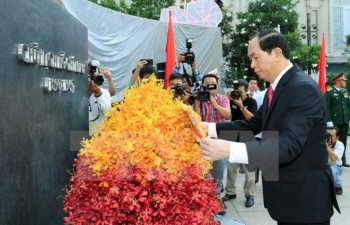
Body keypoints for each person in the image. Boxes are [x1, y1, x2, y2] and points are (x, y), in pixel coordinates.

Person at [199, 29, 339, 225]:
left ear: (276, 53)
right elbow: (253, 125)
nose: (252, 65)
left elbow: (288, 145)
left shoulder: (302, 88)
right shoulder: (277, 87)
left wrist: (228, 150)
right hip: (287, 200)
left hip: (305, 203)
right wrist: (209, 128)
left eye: (255, 57)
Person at [193, 73, 231, 215]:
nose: (209, 86)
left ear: (217, 85)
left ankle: (216, 202)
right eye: (207, 83)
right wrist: (197, 102)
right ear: (203, 85)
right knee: (204, 173)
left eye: (212, 83)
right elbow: (196, 121)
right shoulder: (199, 100)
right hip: (204, 141)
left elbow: (227, 115)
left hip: (220, 141)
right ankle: (205, 202)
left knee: (218, 173)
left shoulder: (223, 99)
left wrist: (214, 103)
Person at [223, 79, 257, 207]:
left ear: (246, 91)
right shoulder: (231, 100)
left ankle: (249, 195)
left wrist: (241, 106)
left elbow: (252, 119)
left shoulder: (251, 102)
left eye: (241, 91)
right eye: (236, 91)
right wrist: (227, 101)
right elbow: (228, 116)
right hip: (233, 135)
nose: (238, 94)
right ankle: (230, 192)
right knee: (231, 168)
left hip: (248, 136)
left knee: (249, 170)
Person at [324, 73, 350, 167]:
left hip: (344, 120)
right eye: (344, 81)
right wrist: (329, 120)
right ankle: (330, 159)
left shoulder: (345, 91)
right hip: (335, 122)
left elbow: (347, 107)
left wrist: (348, 118)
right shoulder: (329, 93)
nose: (345, 83)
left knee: (343, 141)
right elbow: (326, 108)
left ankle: (342, 160)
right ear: (339, 81)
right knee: (332, 141)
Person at [88, 61, 112, 136]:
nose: (93, 80)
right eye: (91, 77)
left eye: (96, 77)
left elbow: (108, 112)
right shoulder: (79, 93)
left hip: (99, 136)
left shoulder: (104, 93)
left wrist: (98, 94)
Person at [326, 126, 344, 195]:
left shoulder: (340, 145)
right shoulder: (321, 142)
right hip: (324, 165)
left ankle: (338, 186)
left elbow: (333, 158)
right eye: (327, 135)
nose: (328, 137)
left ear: (337, 137)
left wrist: (326, 146)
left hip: (336, 166)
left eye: (331, 136)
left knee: (332, 171)